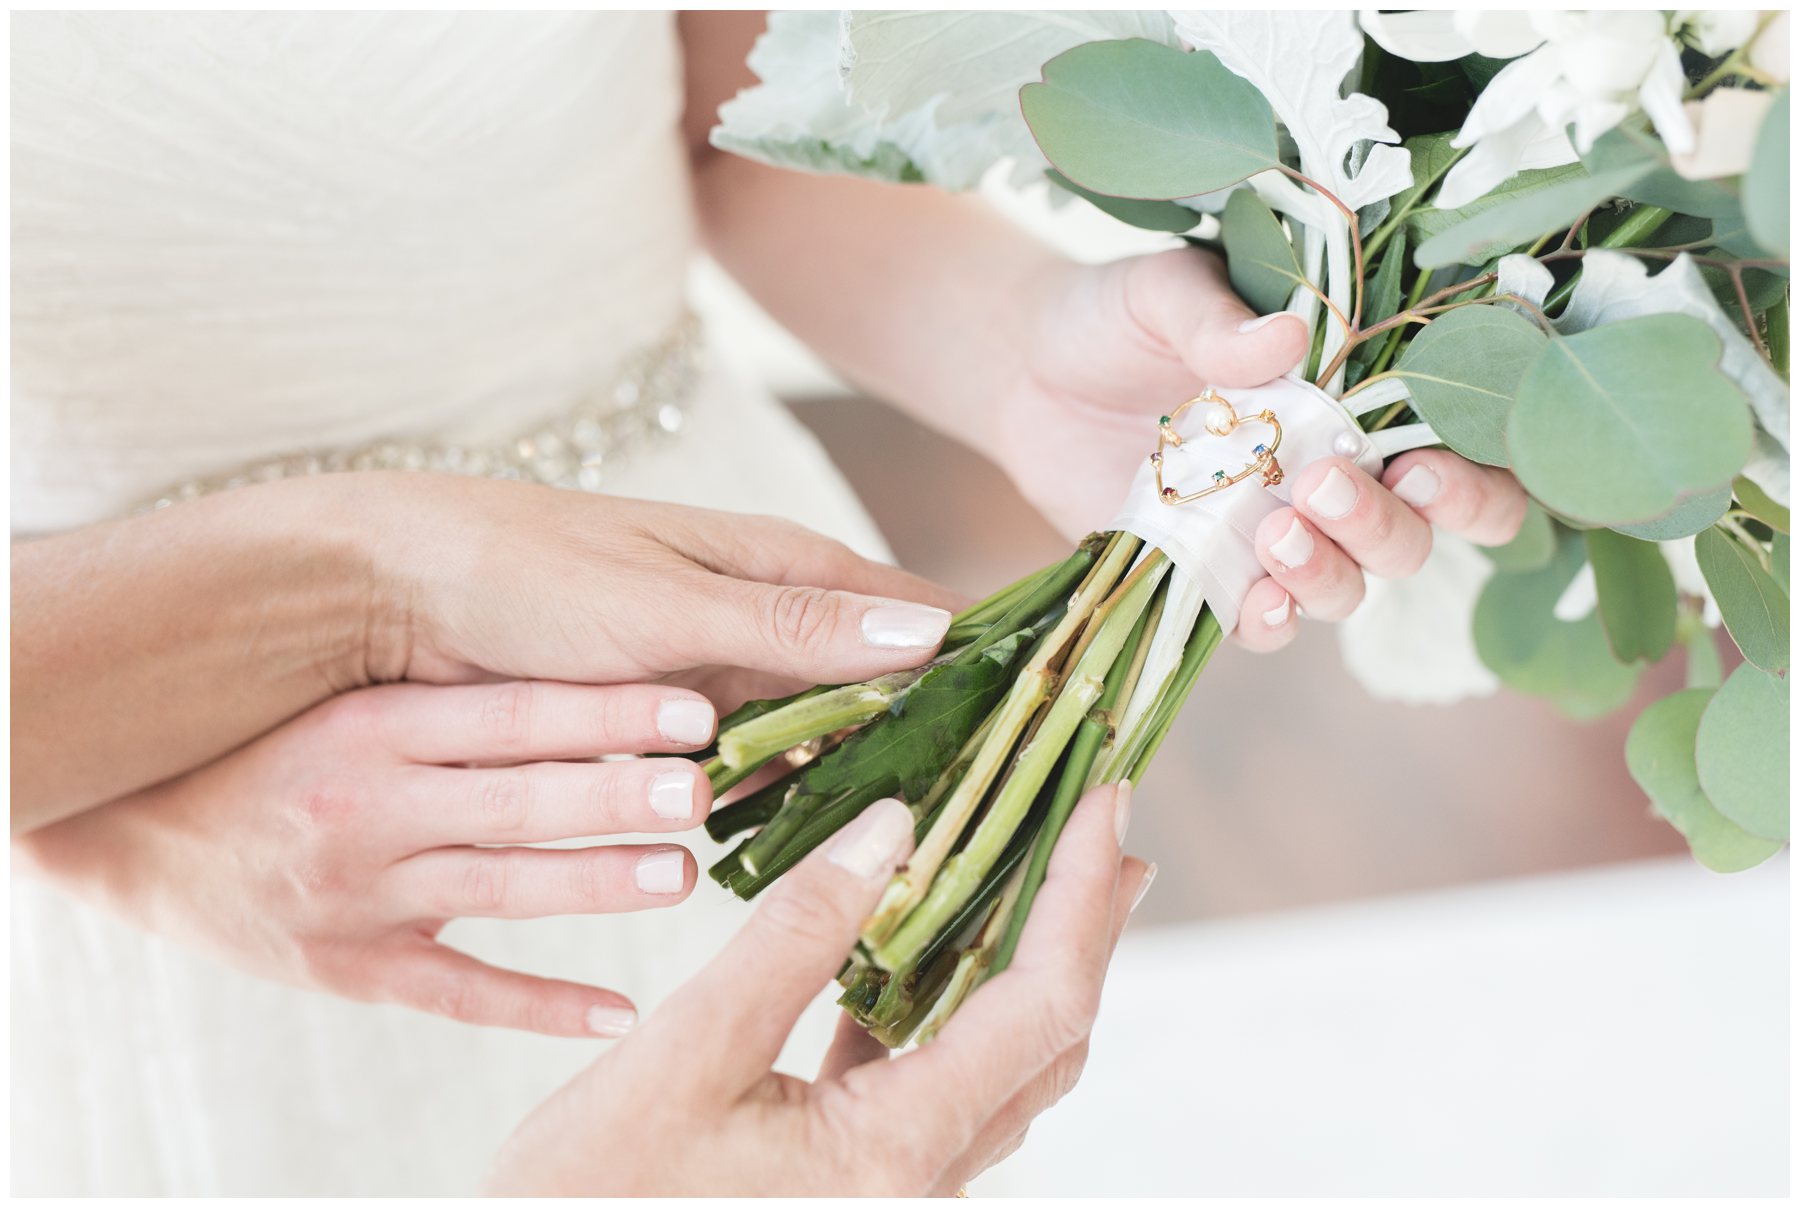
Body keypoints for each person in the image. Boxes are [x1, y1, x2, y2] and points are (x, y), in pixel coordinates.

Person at [10, 11, 1525, 1195]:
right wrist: (96, 839)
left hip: (710, 628)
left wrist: (1019, 349)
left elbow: (714, 124)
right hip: (129, 734)